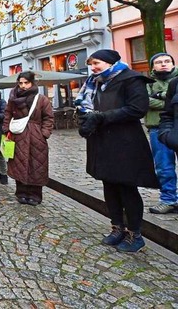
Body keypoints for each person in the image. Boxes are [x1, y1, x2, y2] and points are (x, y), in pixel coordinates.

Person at [75, 49, 158, 253]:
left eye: (97, 63)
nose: (93, 67)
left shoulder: (131, 79)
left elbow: (137, 108)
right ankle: (117, 228)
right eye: (92, 64)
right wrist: (86, 119)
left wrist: (102, 117)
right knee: (109, 185)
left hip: (125, 142)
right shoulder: (95, 83)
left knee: (126, 187)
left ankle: (135, 234)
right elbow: (88, 107)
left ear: (111, 62)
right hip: (102, 140)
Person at [2, 71, 53, 206]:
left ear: (32, 83)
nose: (23, 86)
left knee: (37, 166)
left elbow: (48, 117)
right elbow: (7, 114)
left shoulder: (41, 99)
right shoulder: (13, 98)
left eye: (26, 83)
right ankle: (21, 193)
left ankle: (35, 195)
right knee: (19, 164)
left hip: (36, 137)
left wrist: (44, 134)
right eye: (21, 83)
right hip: (18, 135)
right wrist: (6, 129)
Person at [145, 53, 178, 214]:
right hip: (157, 128)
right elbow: (145, 101)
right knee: (164, 167)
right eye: (158, 62)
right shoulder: (148, 83)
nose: (163, 64)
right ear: (153, 66)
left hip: (176, 126)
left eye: (167, 61)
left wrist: (158, 97)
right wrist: (169, 101)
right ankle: (169, 199)